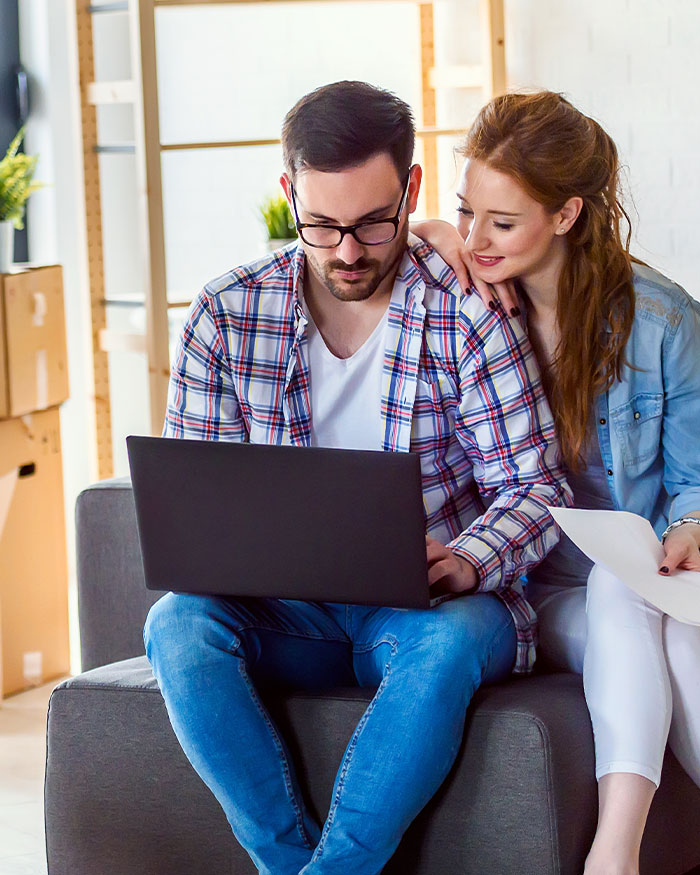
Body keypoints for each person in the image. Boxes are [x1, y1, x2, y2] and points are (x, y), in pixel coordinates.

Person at [143, 81, 571, 875]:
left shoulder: (467, 312)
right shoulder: (226, 313)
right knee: (176, 625)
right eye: (322, 225)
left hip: (426, 610)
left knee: (446, 645)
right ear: (287, 195)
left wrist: (469, 558)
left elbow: (537, 487)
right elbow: (197, 498)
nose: (347, 250)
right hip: (283, 613)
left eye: (373, 223)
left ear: (410, 191)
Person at [413, 90, 700, 874]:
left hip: (655, 577)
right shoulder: (472, 306)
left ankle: (610, 859)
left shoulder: (662, 323)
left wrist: (692, 530)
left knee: (650, 609)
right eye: (467, 211)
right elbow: (405, 242)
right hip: (535, 587)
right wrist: (435, 230)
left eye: (502, 221)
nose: (478, 239)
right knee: (652, 626)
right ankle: (612, 860)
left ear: (566, 214)